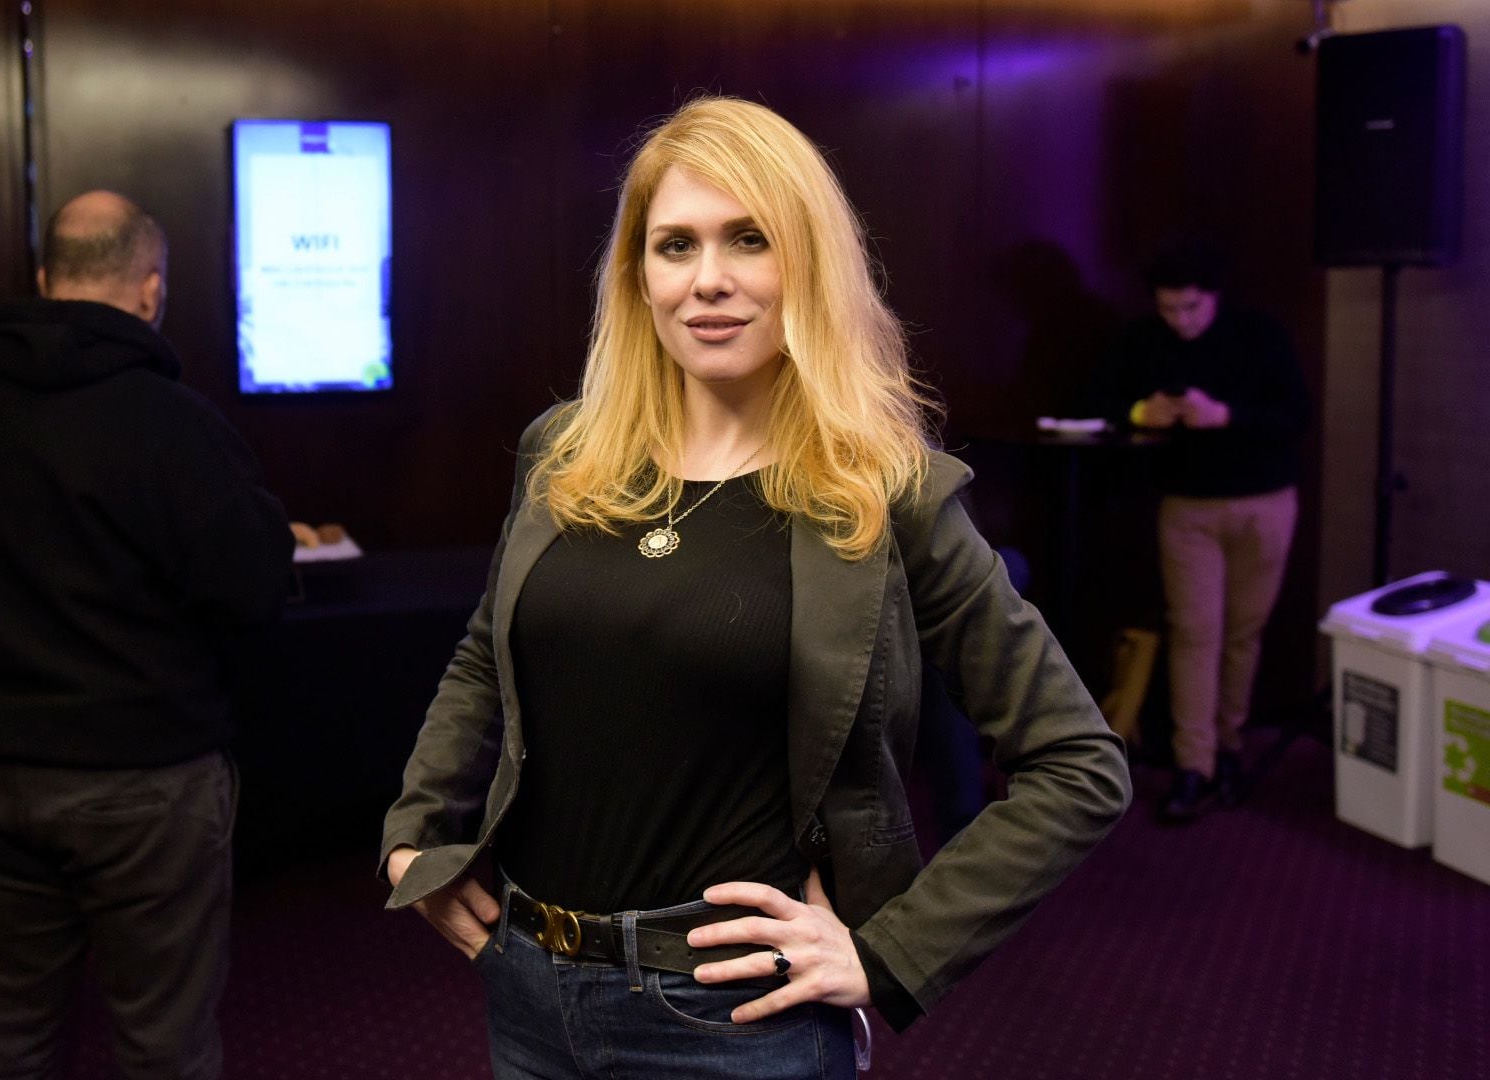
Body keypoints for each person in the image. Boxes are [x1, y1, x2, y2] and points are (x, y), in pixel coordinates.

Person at [381, 97, 1132, 1079]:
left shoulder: (883, 491)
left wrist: (890, 952)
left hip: (734, 1019)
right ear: (638, 277)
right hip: (526, 987)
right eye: (675, 246)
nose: (709, 280)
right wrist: (415, 831)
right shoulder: (563, 454)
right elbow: (489, 651)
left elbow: (1078, 763)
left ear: (809, 262)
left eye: (749, 239)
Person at [0, 190, 292, 1080]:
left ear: (44, 280)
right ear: (151, 288)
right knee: (162, 1042)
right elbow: (258, 588)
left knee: (8, 1033)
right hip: (144, 781)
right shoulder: (171, 423)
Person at [1105, 241, 1309, 822]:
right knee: (1194, 632)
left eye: (1191, 307)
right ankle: (1192, 763)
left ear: (1213, 297)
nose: (1181, 320)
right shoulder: (1145, 339)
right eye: (1168, 308)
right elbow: (1099, 399)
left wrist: (1225, 416)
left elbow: (1295, 416)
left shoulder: (1259, 334)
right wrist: (1142, 413)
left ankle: (1228, 747)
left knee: (1243, 632)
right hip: (1187, 506)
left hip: (1265, 500)